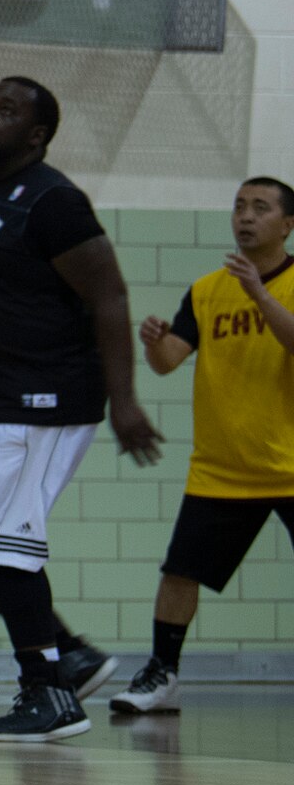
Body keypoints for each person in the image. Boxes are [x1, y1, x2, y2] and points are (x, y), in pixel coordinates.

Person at [0, 77, 163, 742]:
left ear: (38, 134)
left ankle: (48, 692)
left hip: (45, 400)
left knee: (6, 548)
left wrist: (125, 399)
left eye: (7, 110)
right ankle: (69, 654)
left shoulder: (55, 200)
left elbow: (109, 295)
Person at [114, 176, 294, 714]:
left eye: (260, 208)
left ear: (287, 225)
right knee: (180, 572)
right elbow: (170, 362)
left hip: (290, 465)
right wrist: (153, 343)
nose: (245, 216)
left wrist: (259, 295)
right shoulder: (206, 289)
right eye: (239, 206)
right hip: (222, 468)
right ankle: (162, 675)